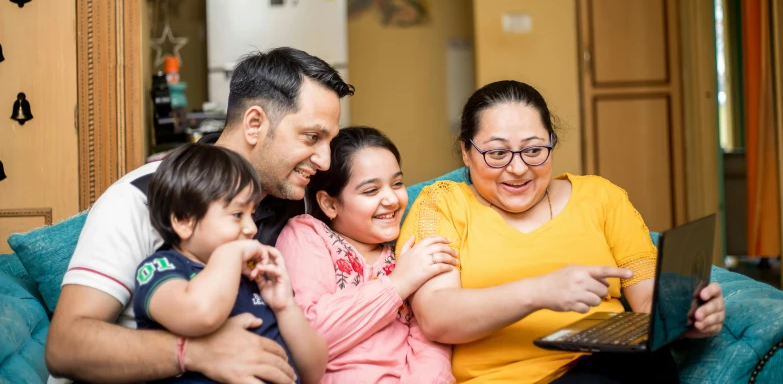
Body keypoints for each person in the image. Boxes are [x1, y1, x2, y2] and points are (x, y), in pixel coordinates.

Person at [46, 47, 353, 383]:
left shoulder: (302, 204)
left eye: (329, 142)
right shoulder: (145, 196)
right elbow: (65, 346)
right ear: (254, 124)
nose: (324, 161)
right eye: (312, 137)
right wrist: (194, 352)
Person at [397, 80, 726, 384]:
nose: (518, 168)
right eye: (497, 153)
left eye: (534, 150)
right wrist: (540, 291)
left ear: (552, 143)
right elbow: (436, 317)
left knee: (649, 362)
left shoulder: (601, 197)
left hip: (607, 366)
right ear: (467, 153)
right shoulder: (442, 204)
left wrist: (688, 316)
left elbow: (647, 303)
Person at [275, 126, 458, 384]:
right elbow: (310, 336)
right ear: (330, 204)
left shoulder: (406, 249)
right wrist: (398, 283)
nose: (392, 199)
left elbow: (431, 343)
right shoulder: (307, 236)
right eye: (371, 191)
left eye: (397, 183)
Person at [134, 143, 326, 384]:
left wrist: (285, 305)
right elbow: (201, 314)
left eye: (252, 214)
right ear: (183, 221)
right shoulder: (162, 269)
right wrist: (230, 256)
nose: (252, 228)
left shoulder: (254, 277)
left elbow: (314, 371)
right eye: (237, 215)